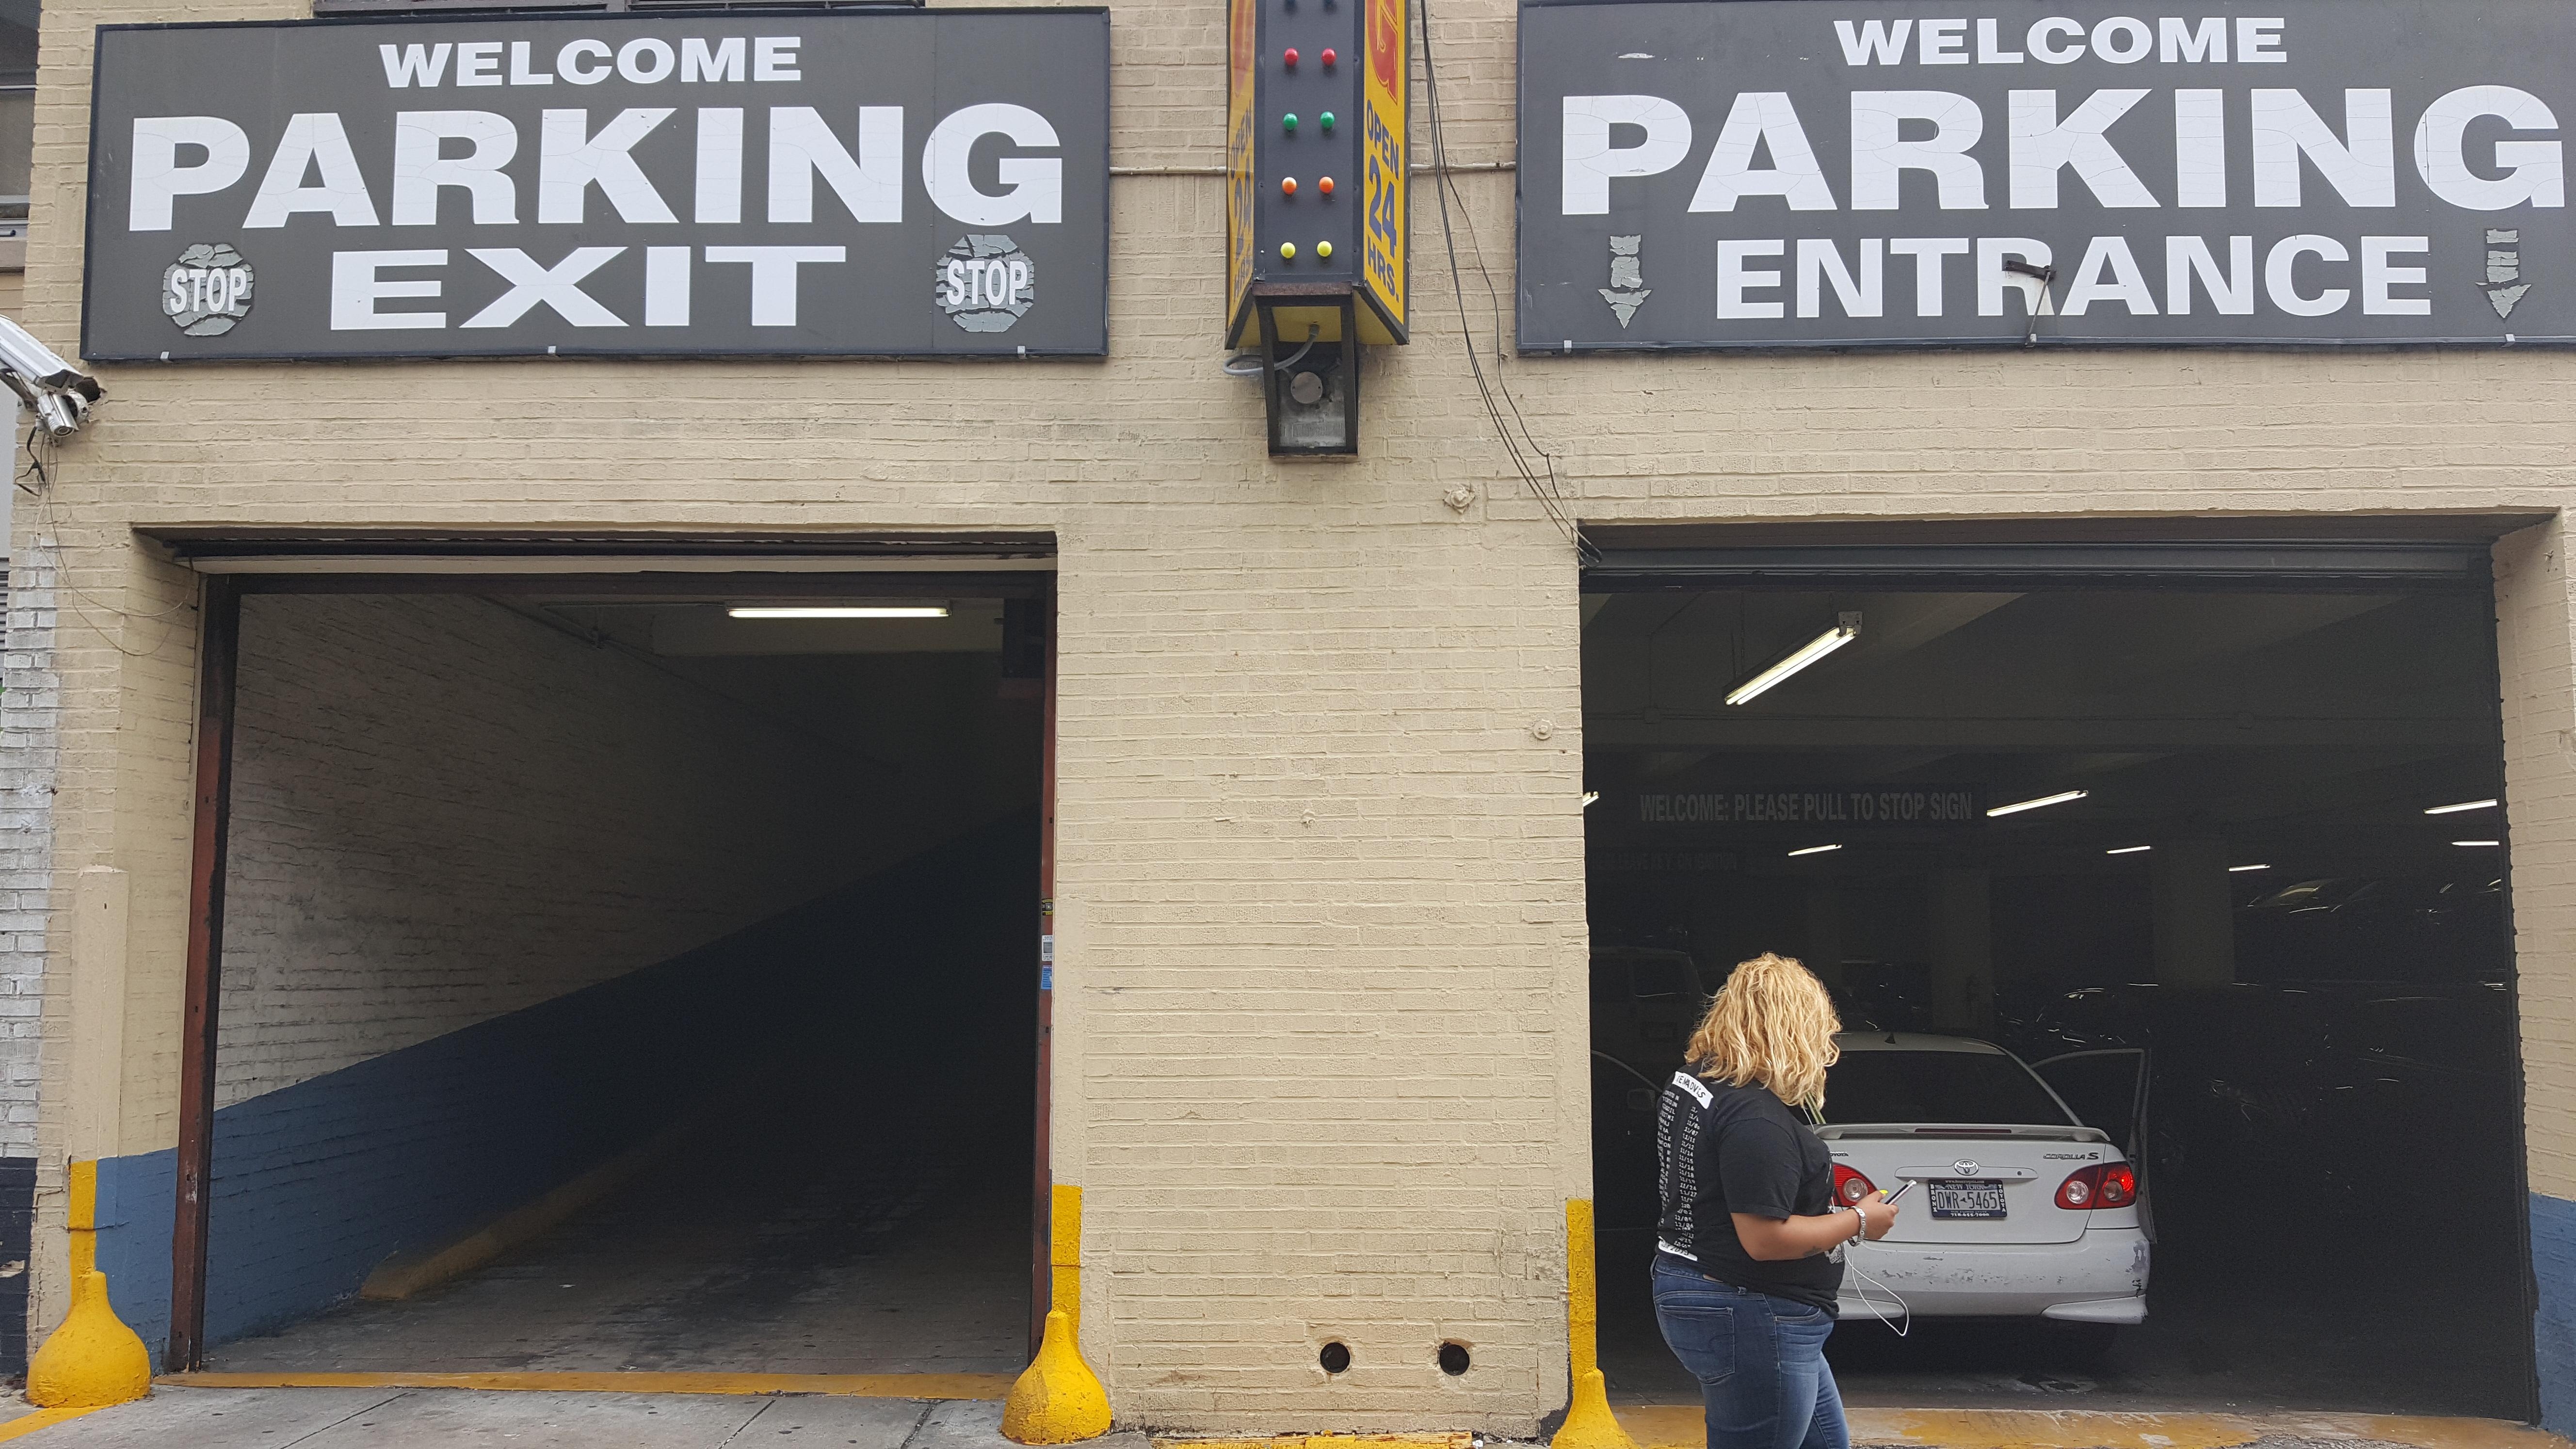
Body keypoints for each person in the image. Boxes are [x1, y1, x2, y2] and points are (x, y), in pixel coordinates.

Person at [1651, 953, 1897, 1449]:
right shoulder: (1754, 1119)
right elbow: (1764, 1240)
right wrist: (1858, 1220)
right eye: (1819, 1030)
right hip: (1753, 1311)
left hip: (1711, 1290)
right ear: (1793, 1030)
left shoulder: (1695, 1084)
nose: (1826, 1044)